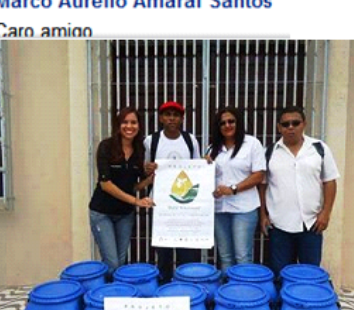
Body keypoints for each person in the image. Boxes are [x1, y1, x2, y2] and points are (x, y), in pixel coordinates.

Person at [259, 106, 340, 275]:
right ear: (279, 127)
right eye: (285, 124)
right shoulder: (270, 152)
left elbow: (330, 181)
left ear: (304, 124)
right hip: (279, 225)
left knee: (309, 274)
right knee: (281, 275)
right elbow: (262, 185)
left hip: (311, 224)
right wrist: (263, 215)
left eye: (295, 123)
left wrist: (326, 213)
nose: (291, 127)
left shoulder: (319, 149)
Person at [89, 107, 154, 274]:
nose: (129, 126)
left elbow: (133, 186)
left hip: (125, 214)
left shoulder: (140, 150)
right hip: (102, 212)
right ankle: (106, 290)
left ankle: (115, 288)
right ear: (118, 125)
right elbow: (106, 184)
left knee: (121, 260)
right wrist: (136, 201)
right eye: (125, 122)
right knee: (112, 263)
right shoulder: (106, 146)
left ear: (139, 126)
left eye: (133, 122)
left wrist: (150, 178)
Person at [144, 101, 202, 283]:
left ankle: (188, 285)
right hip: (160, 205)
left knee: (187, 251)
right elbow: (144, 169)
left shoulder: (190, 140)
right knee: (163, 252)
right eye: (167, 115)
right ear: (161, 118)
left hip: (185, 205)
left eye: (176, 115)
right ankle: (164, 286)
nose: (171, 118)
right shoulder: (151, 141)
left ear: (182, 119)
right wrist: (148, 169)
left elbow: (197, 170)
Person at [207, 107, 266, 272]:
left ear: (238, 123)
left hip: (243, 209)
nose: (227, 125)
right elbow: (207, 178)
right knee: (225, 256)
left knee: (242, 256)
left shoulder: (252, 144)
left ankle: (244, 287)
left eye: (231, 121)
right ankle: (228, 288)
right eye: (222, 123)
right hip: (220, 209)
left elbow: (259, 175)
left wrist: (234, 189)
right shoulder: (212, 149)